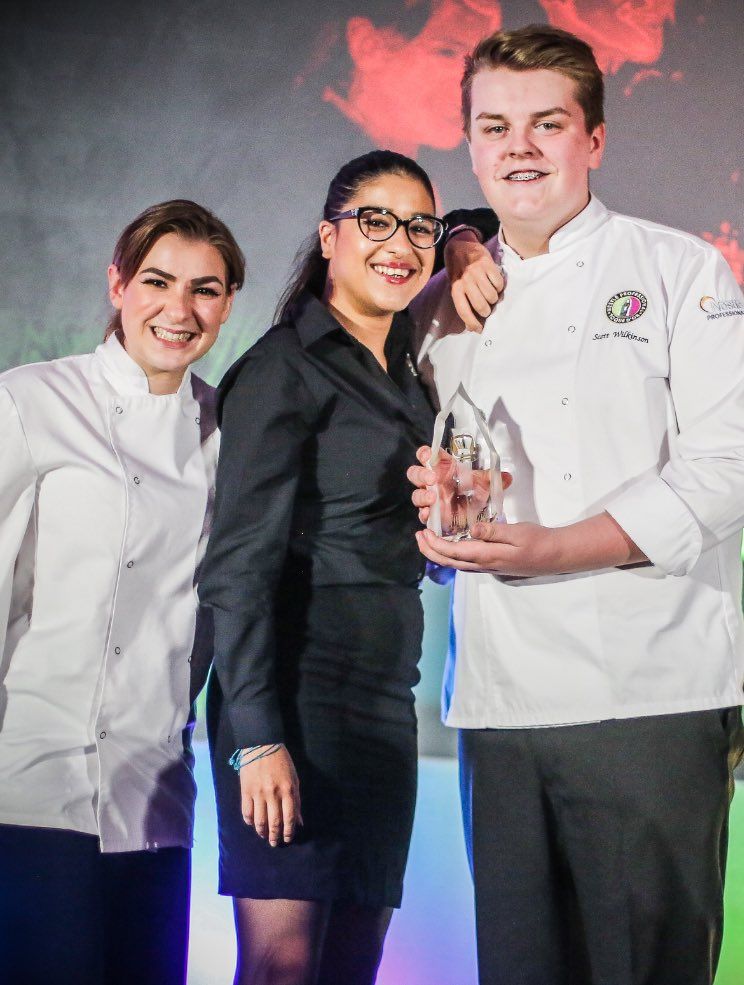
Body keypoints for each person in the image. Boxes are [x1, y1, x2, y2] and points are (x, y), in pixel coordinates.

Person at [408, 24, 744, 985]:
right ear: (470, 145)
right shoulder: (439, 309)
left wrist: (555, 549)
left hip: (652, 692)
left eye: (547, 124)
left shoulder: (681, 271)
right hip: (502, 703)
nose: (520, 147)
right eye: (495, 126)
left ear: (594, 139)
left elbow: (727, 466)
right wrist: (442, 512)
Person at [198, 150, 443, 985]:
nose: (399, 241)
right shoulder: (281, 369)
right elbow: (237, 565)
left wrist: (472, 241)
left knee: (353, 962)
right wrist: (258, 736)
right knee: (283, 966)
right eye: (374, 219)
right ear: (329, 235)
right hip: (290, 702)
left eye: (419, 225)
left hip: (382, 705)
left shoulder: (408, 366)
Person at [0, 199, 244, 985]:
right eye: (157, 281)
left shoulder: (224, 430)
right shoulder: (33, 401)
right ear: (117, 284)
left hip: (159, 795)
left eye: (205, 289)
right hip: (33, 784)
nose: (179, 310)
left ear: (228, 303)